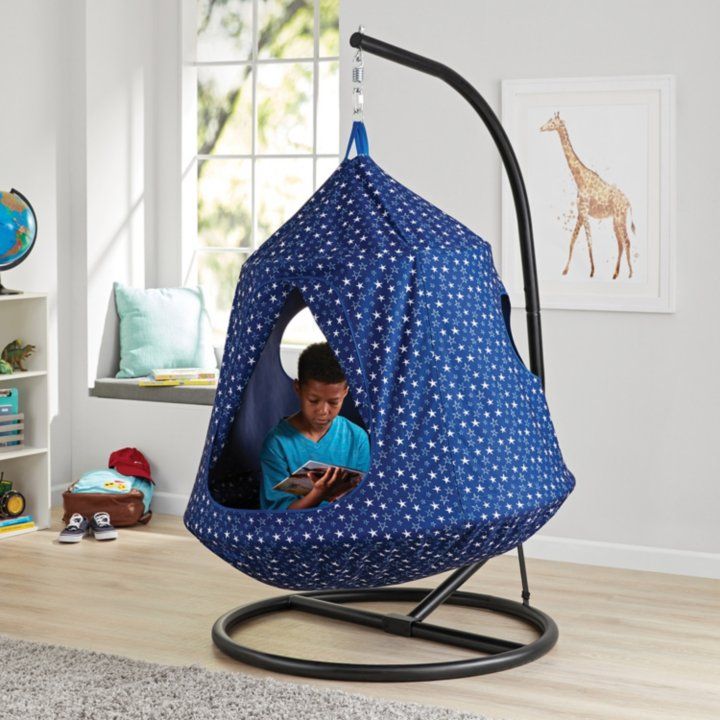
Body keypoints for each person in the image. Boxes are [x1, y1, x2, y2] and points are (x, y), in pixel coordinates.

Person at [259, 342, 370, 511]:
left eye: (333, 402)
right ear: (298, 389)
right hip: (295, 532)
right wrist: (317, 494)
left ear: (345, 393)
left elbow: (365, 500)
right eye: (313, 401)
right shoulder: (278, 443)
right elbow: (277, 515)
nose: (323, 411)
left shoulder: (357, 437)